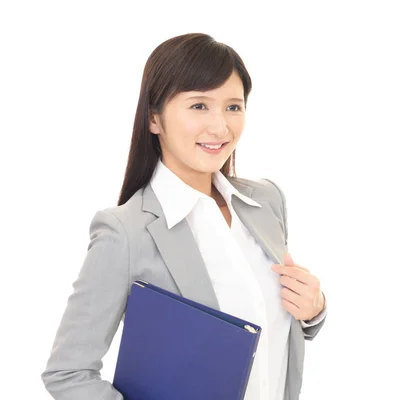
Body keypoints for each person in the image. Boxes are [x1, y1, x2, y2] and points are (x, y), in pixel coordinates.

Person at [40, 33, 327, 400]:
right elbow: (68, 372)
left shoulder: (266, 201)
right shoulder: (125, 232)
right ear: (154, 119)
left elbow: (274, 331)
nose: (220, 127)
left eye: (233, 107)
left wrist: (313, 310)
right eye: (198, 106)